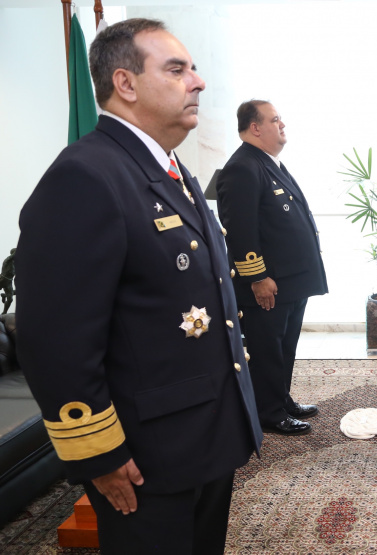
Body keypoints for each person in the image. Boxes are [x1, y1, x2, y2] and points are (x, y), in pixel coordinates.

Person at [15, 19, 262, 552]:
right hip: (146, 459)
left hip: (200, 437)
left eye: (194, 69)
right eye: (176, 69)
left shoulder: (167, 167)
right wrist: (97, 455)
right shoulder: (86, 175)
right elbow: (55, 339)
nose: (197, 82)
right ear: (125, 84)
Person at [216, 100, 327, 436]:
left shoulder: (269, 164)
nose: (282, 125)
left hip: (290, 281)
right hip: (268, 284)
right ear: (255, 128)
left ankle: (282, 400)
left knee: (284, 345)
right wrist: (258, 278)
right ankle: (270, 413)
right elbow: (240, 230)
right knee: (267, 348)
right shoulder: (243, 168)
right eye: (275, 120)